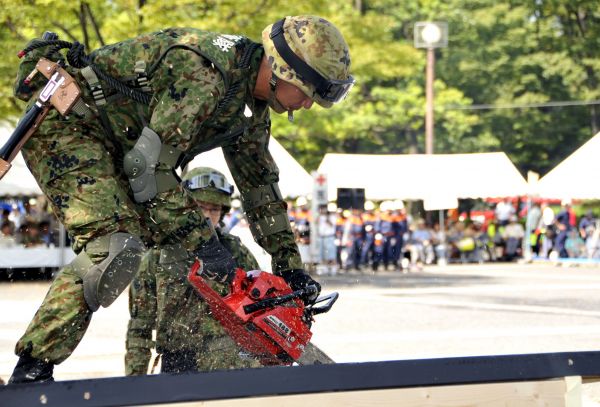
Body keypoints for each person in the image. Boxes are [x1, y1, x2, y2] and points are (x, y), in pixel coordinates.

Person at [8, 16, 352, 383]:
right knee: (114, 246)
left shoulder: (249, 108)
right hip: (69, 127)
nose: (308, 105)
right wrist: (207, 245)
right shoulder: (206, 76)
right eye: (308, 93)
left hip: (121, 148)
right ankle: (32, 368)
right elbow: (148, 169)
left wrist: (290, 268)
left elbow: (260, 190)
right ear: (285, 72)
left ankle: (202, 367)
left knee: (186, 250)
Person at [125, 167, 261, 375]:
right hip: (178, 365)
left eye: (214, 209)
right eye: (200, 207)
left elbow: (260, 311)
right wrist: (134, 381)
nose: (206, 216)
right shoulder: (157, 257)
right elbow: (140, 328)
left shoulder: (236, 253)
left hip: (231, 366)